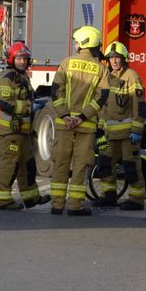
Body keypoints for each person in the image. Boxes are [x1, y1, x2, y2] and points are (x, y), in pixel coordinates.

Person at [49, 26, 109, 216]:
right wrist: (82, 116)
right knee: (80, 165)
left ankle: (57, 205)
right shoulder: (101, 69)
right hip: (86, 125)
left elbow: (55, 91)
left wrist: (65, 115)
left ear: (82, 43)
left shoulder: (66, 63)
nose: (75, 44)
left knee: (61, 163)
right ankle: (75, 206)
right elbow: (101, 98)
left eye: (77, 41)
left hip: (63, 124)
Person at [0, 42, 46, 210]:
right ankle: (3, 200)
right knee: (9, 165)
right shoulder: (7, 78)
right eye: (19, 59)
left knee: (27, 166)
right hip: (12, 133)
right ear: (12, 59)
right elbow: (4, 104)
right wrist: (30, 107)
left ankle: (31, 198)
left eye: (25, 59)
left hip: (24, 132)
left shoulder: (22, 77)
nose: (23, 62)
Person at [95, 41, 146, 210]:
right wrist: (100, 129)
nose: (114, 61)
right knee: (105, 164)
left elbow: (139, 105)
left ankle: (136, 199)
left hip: (127, 135)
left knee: (131, 166)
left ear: (124, 59)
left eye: (117, 58)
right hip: (109, 134)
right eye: (111, 58)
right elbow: (103, 105)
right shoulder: (106, 77)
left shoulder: (132, 76)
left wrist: (137, 129)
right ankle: (109, 195)